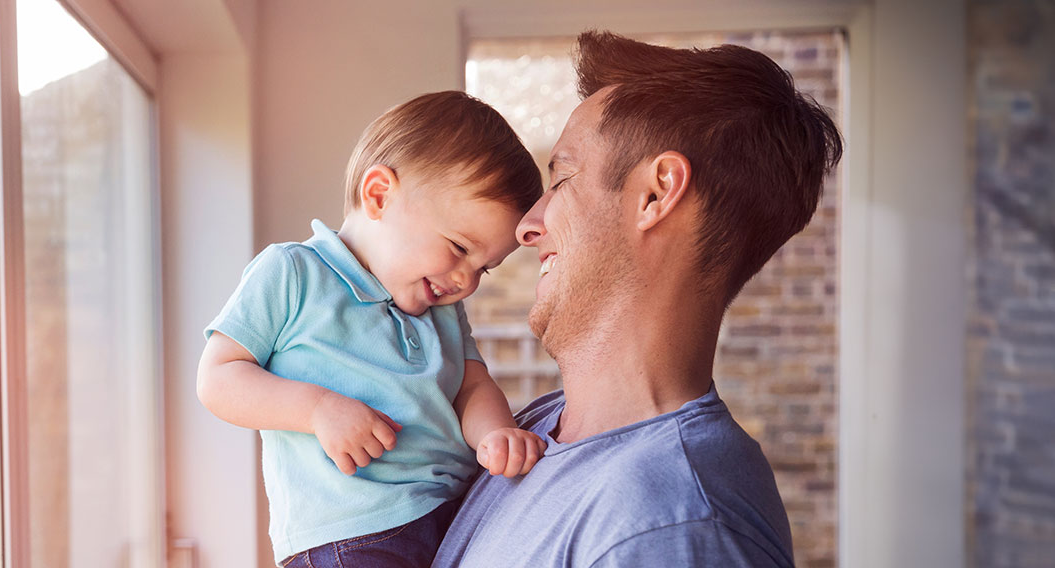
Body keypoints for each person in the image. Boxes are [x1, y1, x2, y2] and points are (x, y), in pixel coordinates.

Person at [433, 31, 843, 567]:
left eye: (561, 179)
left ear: (655, 194)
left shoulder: (672, 524)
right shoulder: (535, 429)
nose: (527, 227)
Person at [196, 91, 547, 567]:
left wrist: (496, 433)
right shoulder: (294, 273)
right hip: (353, 532)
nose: (465, 280)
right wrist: (318, 409)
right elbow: (218, 379)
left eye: (485, 268)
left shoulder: (442, 307)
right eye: (459, 248)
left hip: (454, 514)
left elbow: (472, 384)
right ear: (378, 195)